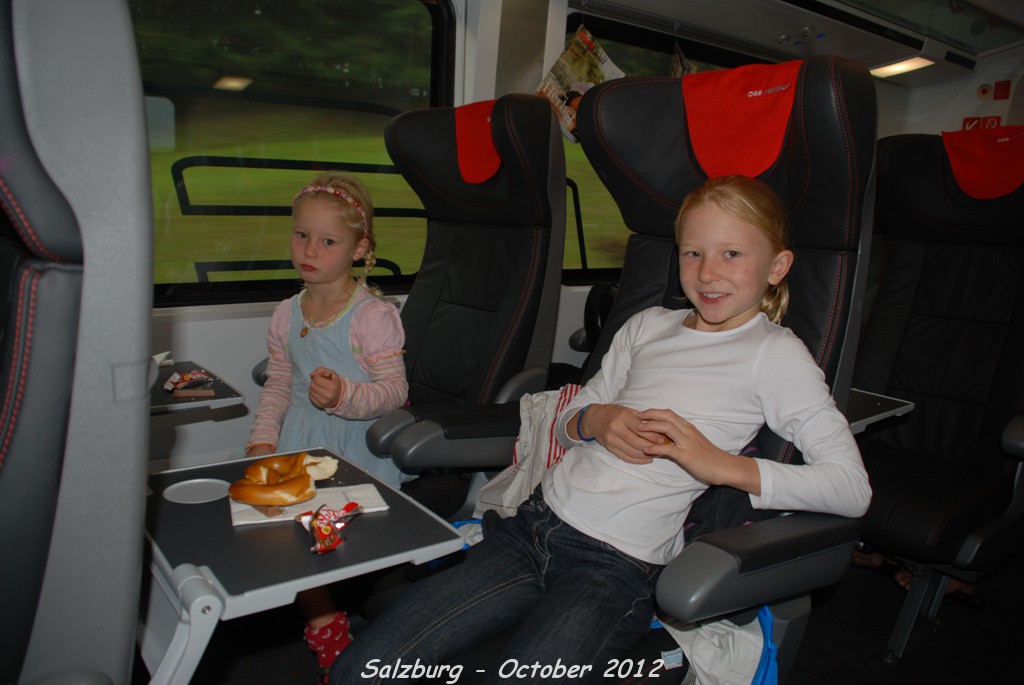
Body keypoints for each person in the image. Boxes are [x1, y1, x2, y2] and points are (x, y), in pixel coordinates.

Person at [330, 175, 871, 684]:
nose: (708, 272)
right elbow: (574, 419)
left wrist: (721, 465)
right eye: (693, 253)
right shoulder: (647, 326)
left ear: (777, 266)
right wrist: (595, 420)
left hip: (616, 566)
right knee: (361, 667)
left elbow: (850, 487)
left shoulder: (774, 355)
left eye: (732, 254)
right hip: (533, 527)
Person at [245, 171, 408, 680]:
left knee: (303, 542)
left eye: (328, 241)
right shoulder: (285, 313)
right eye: (301, 234)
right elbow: (279, 384)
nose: (309, 249)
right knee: (268, 530)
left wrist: (345, 396)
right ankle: (323, 619)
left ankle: (329, 636)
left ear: (360, 250)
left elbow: (394, 391)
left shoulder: (372, 317)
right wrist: (263, 439)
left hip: (353, 451)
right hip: (297, 443)